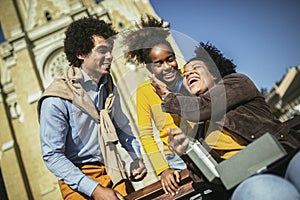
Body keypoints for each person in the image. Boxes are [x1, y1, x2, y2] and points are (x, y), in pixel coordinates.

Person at [150, 42, 300, 198]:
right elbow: (206, 179)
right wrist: (185, 153)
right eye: (186, 74)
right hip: (246, 181)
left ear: (213, 73)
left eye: (196, 68)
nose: (188, 74)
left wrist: (167, 96)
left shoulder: (237, 83)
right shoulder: (197, 128)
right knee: (261, 192)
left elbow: (201, 107)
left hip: (283, 157)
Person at [37, 17, 147, 200]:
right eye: (102, 50)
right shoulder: (56, 98)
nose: (110, 56)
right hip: (78, 178)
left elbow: (122, 127)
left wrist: (136, 157)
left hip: (113, 168)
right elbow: (52, 156)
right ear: (81, 54)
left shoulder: (108, 86)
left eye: (110, 50)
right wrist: (95, 189)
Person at [122, 15, 193, 196]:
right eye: (158, 64)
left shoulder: (190, 76)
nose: (168, 67)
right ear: (149, 69)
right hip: (175, 158)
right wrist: (162, 169)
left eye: (170, 59)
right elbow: (146, 136)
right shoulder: (145, 91)